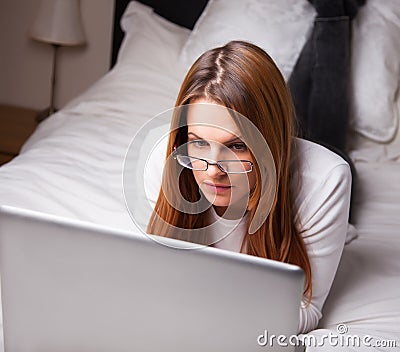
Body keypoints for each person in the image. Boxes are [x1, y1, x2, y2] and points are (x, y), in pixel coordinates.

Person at [146, 41, 352, 334]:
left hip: (310, 166)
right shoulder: (171, 162)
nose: (214, 171)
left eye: (236, 146)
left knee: (328, 119)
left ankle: (333, 19)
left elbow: (306, 309)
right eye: (199, 142)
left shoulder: (326, 180)